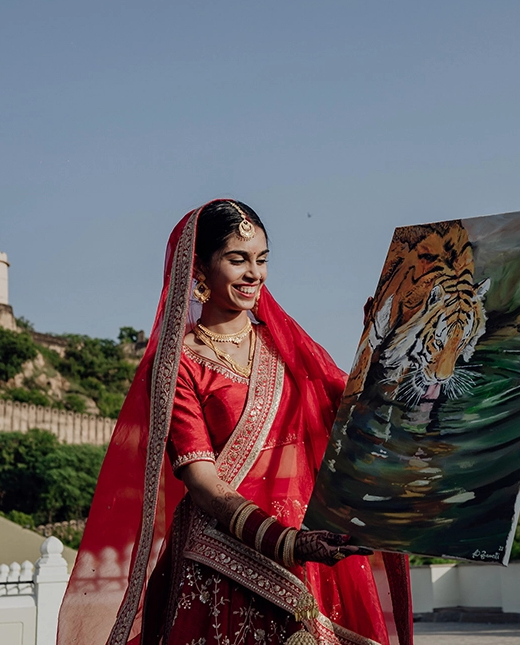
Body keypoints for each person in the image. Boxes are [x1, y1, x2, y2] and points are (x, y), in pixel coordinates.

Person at [58, 200, 413, 645]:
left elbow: (350, 420)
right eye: (237, 259)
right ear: (201, 268)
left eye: (262, 260)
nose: (254, 274)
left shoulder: (285, 344)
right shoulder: (178, 365)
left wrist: (380, 350)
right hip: (229, 559)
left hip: (316, 549)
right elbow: (203, 480)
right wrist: (283, 541)